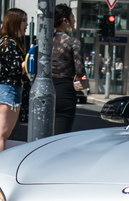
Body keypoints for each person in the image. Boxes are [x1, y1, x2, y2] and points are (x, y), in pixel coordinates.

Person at [0, 8, 28, 157]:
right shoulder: (11, 43)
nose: (26, 24)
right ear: (14, 22)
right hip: (10, 89)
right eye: (23, 20)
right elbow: (16, 68)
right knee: (1, 135)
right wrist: (29, 62)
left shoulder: (1, 42)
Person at [52, 3, 88, 135]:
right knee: (60, 133)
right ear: (65, 20)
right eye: (72, 17)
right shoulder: (73, 42)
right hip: (65, 91)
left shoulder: (45, 41)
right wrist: (84, 81)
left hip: (45, 87)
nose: (74, 20)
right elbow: (79, 69)